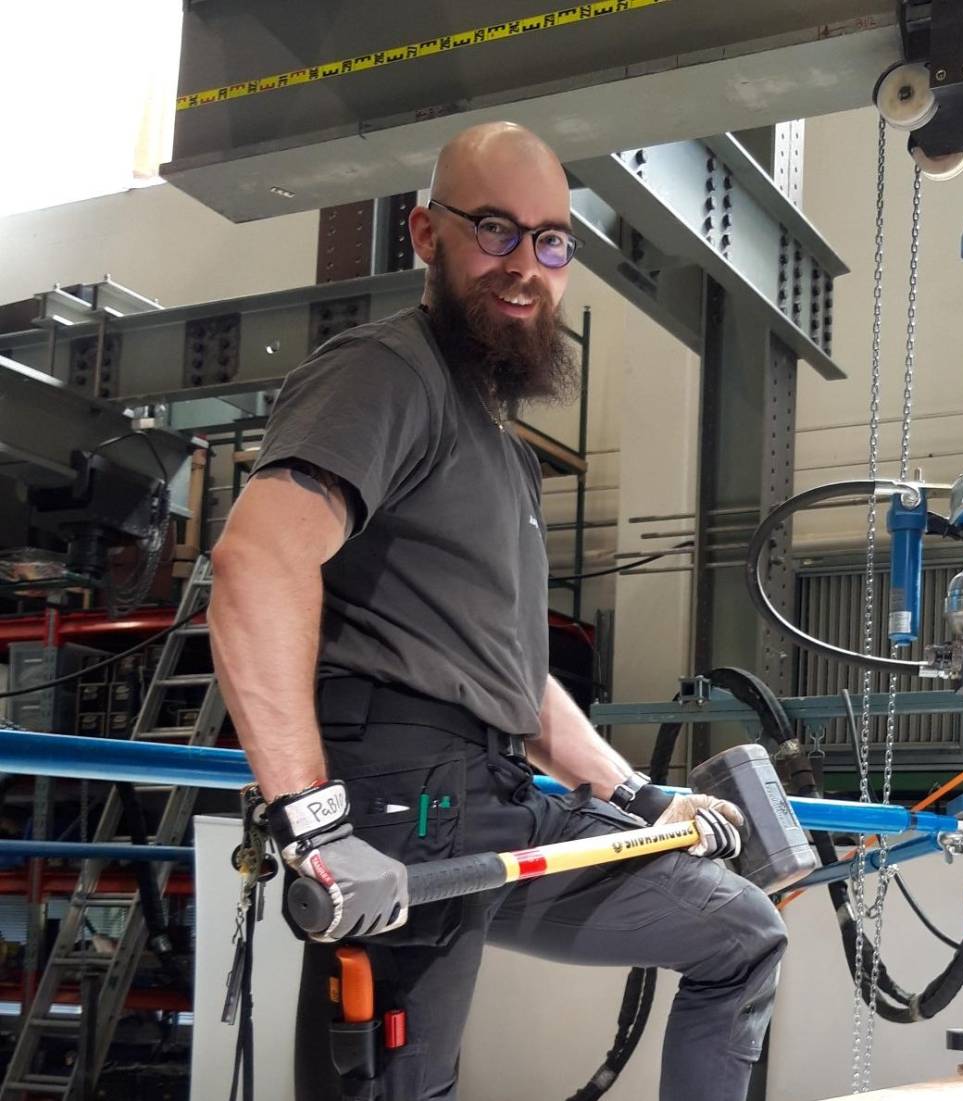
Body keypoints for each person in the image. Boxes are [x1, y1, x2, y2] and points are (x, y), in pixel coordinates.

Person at [209, 121, 786, 1101]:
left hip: (495, 791)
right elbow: (256, 563)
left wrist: (639, 799)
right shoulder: (385, 373)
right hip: (403, 798)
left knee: (738, 933)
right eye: (495, 229)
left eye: (551, 240)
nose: (527, 264)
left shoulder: (498, 443)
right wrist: (313, 823)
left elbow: (513, 679)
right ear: (424, 234)